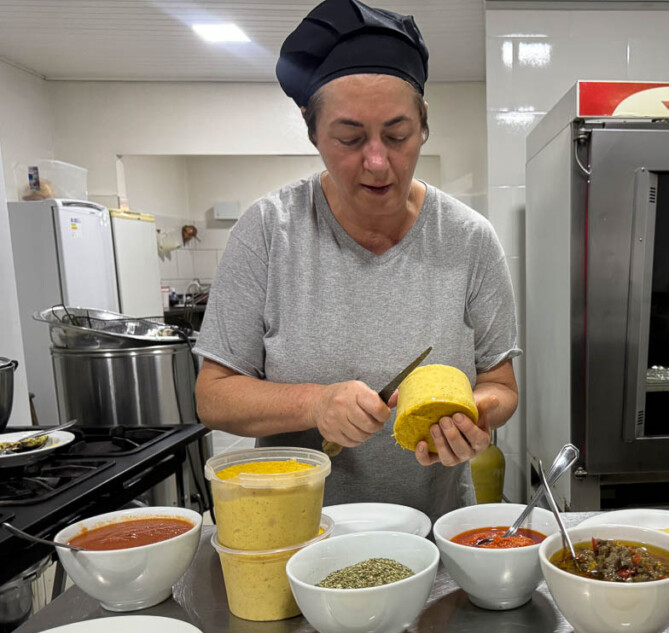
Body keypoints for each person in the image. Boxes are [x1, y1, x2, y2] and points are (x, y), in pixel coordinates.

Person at [194, 0, 520, 517]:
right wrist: (314, 404)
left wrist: (472, 415)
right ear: (312, 131)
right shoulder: (268, 231)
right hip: (297, 530)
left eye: (397, 135)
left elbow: (500, 385)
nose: (377, 162)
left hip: (434, 532)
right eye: (349, 138)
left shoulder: (469, 238)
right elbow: (213, 397)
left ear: (424, 124)